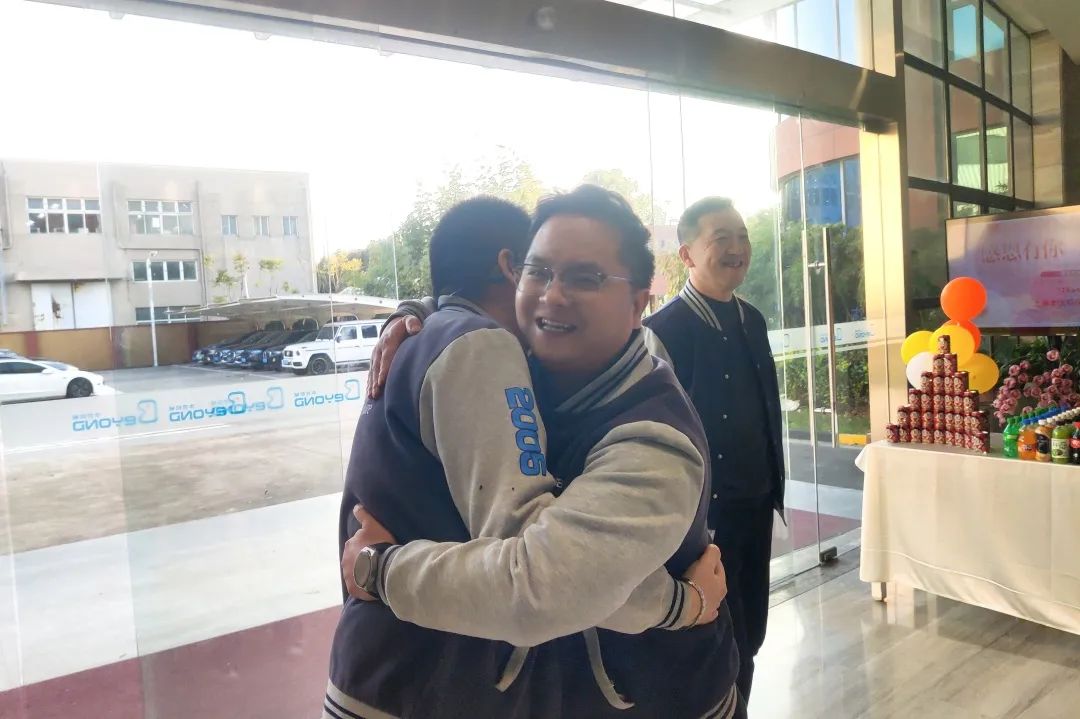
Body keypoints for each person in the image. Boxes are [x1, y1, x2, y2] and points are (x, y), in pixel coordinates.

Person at [324, 193, 731, 719]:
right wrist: (422, 313)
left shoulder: (655, 442)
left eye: (586, 278)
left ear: (638, 304)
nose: (552, 295)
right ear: (511, 272)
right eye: (537, 271)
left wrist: (380, 568)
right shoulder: (522, 361)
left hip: (669, 698)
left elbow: (547, 586)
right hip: (417, 684)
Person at [641, 196, 784, 700]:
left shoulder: (752, 320)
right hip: (706, 512)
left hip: (756, 499)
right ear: (687, 254)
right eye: (721, 238)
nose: (736, 248)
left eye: (741, 236)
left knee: (754, 627)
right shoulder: (663, 332)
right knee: (720, 632)